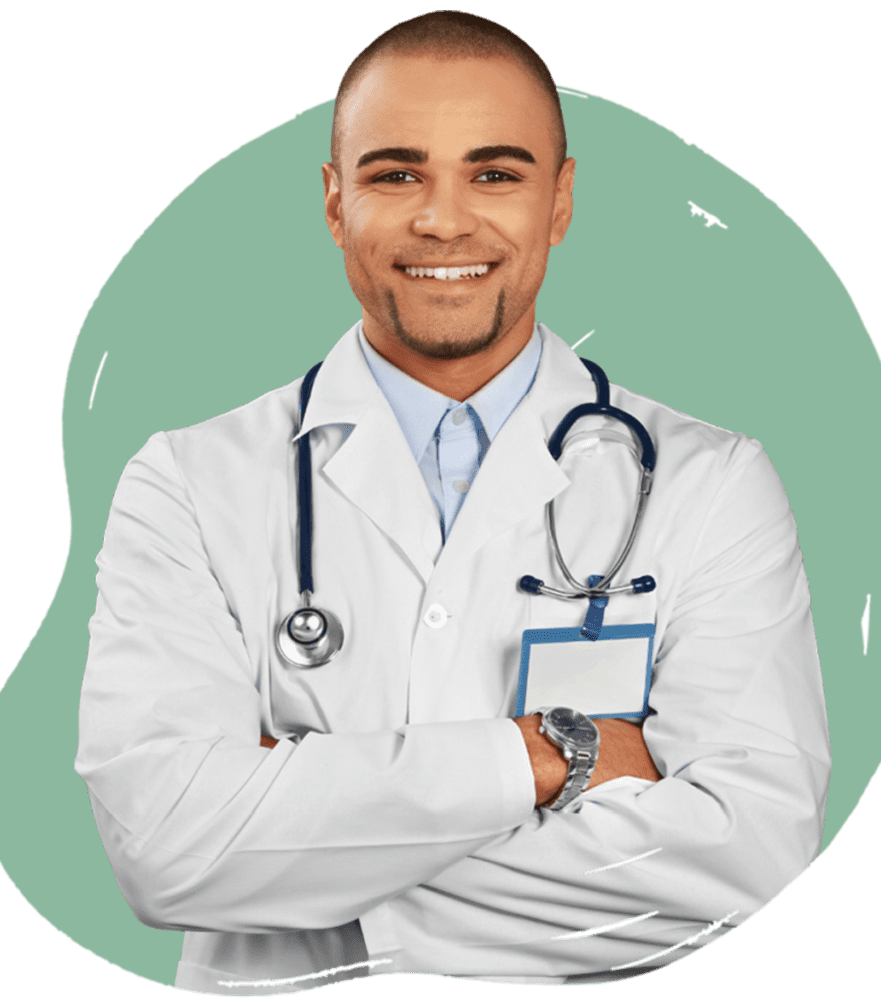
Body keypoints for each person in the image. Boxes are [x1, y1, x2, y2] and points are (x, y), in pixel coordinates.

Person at [75, 10, 830, 996]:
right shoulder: (188, 481)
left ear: (559, 200)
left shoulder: (711, 482)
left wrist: (309, 841)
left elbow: (754, 868)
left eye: (495, 174)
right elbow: (166, 847)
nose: (443, 221)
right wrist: (549, 756)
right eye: (397, 175)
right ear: (335, 201)